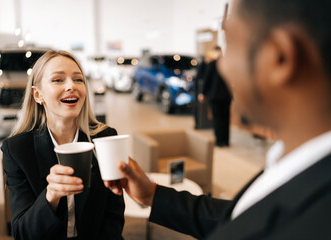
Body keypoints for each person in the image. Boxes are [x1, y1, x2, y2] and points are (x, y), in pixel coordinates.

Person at [105, 0, 331, 239]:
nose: (223, 67)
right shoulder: (293, 159)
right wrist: (153, 195)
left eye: (231, 44)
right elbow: (243, 217)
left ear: (280, 57)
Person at [1, 50, 125, 240]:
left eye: (78, 80)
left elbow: (114, 217)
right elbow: (22, 232)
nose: (71, 86)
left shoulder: (105, 139)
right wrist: (51, 196)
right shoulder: (17, 151)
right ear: (37, 94)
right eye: (58, 80)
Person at [198, 46, 232, 147]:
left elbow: (207, 80)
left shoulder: (212, 64)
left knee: (217, 118)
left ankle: (219, 141)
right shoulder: (227, 64)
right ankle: (226, 140)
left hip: (215, 95)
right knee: (225, 118)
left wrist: (203, 93)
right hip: (226, 96)